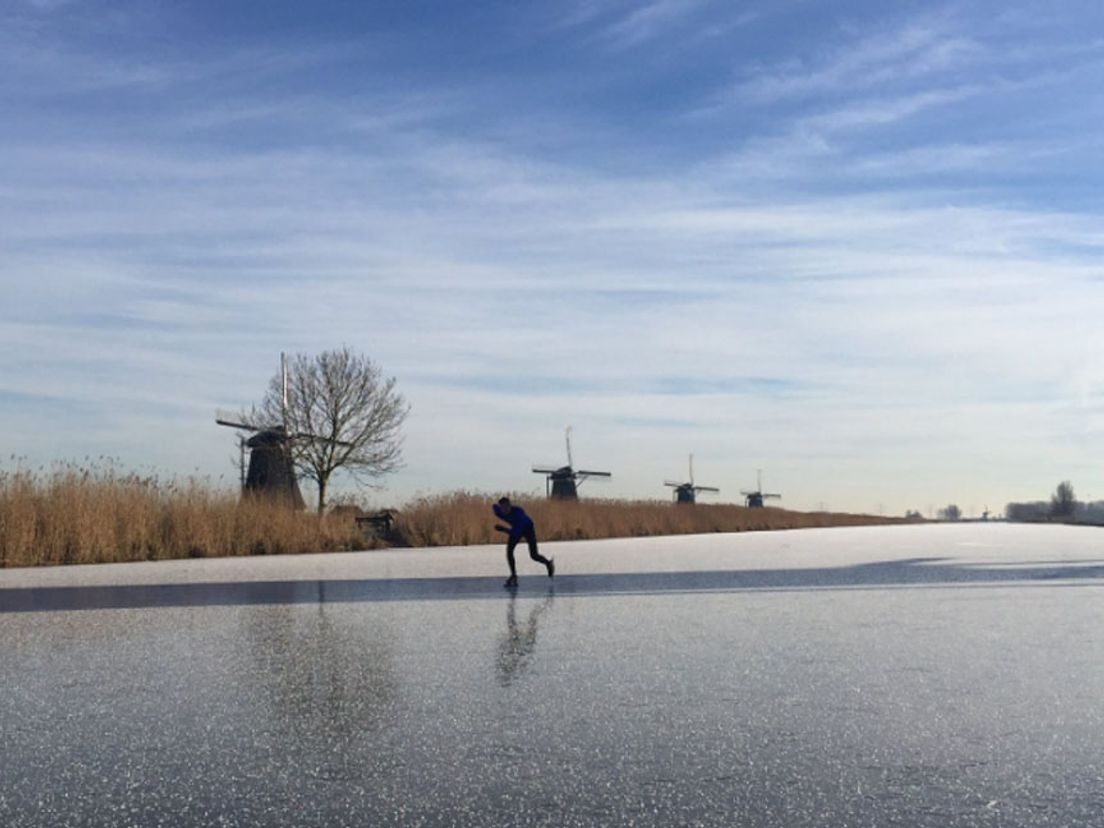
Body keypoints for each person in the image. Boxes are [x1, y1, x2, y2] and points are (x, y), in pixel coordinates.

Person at [492, 497, 554, 588]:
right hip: (516, 528)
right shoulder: (498, 511)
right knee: (509, 552)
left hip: (527, 528)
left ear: (510, 506)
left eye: (506, 508)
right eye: (502, 508)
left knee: (534, 555)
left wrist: (503, 529)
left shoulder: (518, 513)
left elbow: (515, 532)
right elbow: (494, 506)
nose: (504, 511)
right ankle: (513, 576)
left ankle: (548, 563)